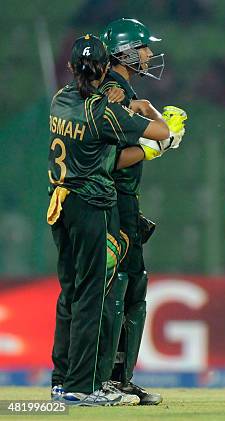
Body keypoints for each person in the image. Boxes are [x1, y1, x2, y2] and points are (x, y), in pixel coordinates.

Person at [48, 34, 169, 406]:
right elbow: (163, 134)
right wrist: (145, 109)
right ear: (105, 68)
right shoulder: (103, 111)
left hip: (59, 204)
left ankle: (61, 379)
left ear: (71, 68)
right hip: (91, 206)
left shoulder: (60, 99)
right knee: (92, 295)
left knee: (70, 291)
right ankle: (83, 387)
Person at [101, 18, 187, 405]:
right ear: (126, 52)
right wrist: (158, 145)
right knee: (121, 288)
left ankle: (119, 378)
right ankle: (106, 379)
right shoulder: (113, 93)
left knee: (132, 286)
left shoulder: (124, 90)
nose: (150, 55)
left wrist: (156, 121)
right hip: (111, 202)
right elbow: (108, 159)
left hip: (123, 202)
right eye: (144, 48)